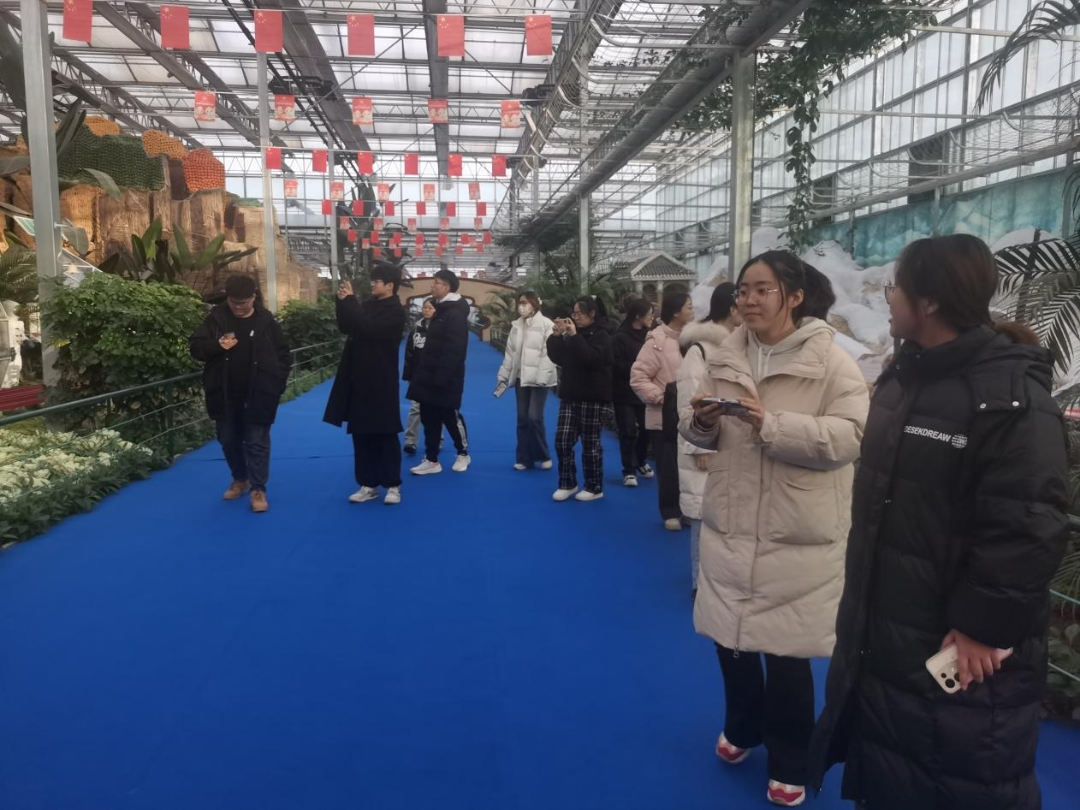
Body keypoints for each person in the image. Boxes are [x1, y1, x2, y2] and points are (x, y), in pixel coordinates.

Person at [808, 235, 1069, 810]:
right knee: (890, 760)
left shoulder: (1009, 399)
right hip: (886, 618)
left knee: (958, 768)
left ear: (928, 302)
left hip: (954, 638)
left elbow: (1029, 521)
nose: (889, 297)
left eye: (895, 287)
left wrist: (982, 625)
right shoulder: (904, 380)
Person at [679, 252, 869, 807]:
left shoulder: (832, 360)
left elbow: (852, 436)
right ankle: (742, 725)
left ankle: (791, 756)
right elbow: (696, 428)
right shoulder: (726, 354)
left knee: (787, 651)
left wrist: (774, 425)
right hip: (733, 517)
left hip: (797, 528)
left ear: (795, 296)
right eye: (743, 290)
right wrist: (703, 421)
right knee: (731, 637)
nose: (749, 300)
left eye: (762, 289)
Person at [189, 274, 291, 514]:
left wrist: (277, 384)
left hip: (259, 393)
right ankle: (240, 478)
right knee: (228, 439)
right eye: (233, 302)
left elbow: (284, 355)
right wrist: (216, 346)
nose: (238, 307)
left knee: (256, 441)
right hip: (224, 393)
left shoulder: (267, 322)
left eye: (243, 303)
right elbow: (195, 347)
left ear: (253, 298)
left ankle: (258, 489)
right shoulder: (216, 319)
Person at [323, 263, 408, 505]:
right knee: (360, 432)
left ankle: (392, 484)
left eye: (376, 281)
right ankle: (368, 483)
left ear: (390, 285)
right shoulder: (369, 306)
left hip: (381, 378)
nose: (372, 284)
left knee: (385, 431)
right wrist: (342, 302)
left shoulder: (396, 311)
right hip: (357, 375)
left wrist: (351, 302)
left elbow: (369, 329)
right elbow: (348, 326)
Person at [676, 282, 741, 598]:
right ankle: (699, 582)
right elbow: (689, 400)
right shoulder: (700, 350)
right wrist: (697, 445)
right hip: (704, 443)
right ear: (732, 308)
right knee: (702, 516)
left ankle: (720, 578)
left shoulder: (737, 345)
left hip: (730, 443)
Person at [631, 291, 696, 531]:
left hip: (691, 417)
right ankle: (670, 511)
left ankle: (688, 509)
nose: (693, 311)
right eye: (689, 307)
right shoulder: (656, 342)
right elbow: (638, 378)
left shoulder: (694, 340)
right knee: (668, 467)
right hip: (664, 418)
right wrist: (662, 398)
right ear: (676, 312)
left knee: (690, 467)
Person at [546, 295, 614, 502]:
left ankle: (594, 486)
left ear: (592, 313)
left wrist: (574, 336)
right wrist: (556, 337)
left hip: (593, 396)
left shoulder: (603, 335)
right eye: (574, 313)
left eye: (579, 313)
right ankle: (567, 483)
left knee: (590, 445)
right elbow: (559, 358)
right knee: (562, 440)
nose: (575, 317)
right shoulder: (573, 334)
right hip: (570, 394)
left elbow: (591, 358)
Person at [407, 267, 471, 475]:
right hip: (428, 376)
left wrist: (441, 378)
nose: (432, 286)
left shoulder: (455, 314)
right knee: (429, 418)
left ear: (447, 287)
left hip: (445, 379)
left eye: (436, 282)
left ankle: (463, 453)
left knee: (450, 416)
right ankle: (432, 459)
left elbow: (455, 350)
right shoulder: (440, 310)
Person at [495, 291, 557, 470]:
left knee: (534, 417)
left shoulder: (547, 325)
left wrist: (542, 378)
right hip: (520, 379)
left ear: (534, 304)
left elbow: (549, 354)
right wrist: (503, 376)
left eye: (524, 303)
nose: (521, 306)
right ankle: (524, 458)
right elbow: (510, 354)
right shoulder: (516, 326)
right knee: (522, 419)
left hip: (539, 380)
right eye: (519, 303)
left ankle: (543, 455)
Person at [612, 297, 655, 487]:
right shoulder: (620, 337)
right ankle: (628, 470)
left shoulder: (651, 337)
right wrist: (637, 368)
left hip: (644, 392)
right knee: (628, 430)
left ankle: (641, 460)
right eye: (649, 314)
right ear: (638, 316)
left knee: (647, 429)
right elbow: (614, 364)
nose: (652, 318)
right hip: (624, 392)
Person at [402, 298, 436, 456]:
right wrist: (408, 374)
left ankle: (437, 440)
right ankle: (410, 441)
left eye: (430, 308)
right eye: (425, 307)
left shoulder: (442, 328)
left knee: (435, 409)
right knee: (416, 408)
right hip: (418, 376)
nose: (426, 310)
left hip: (436, 376)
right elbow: (409, 353)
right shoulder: (416, 328)